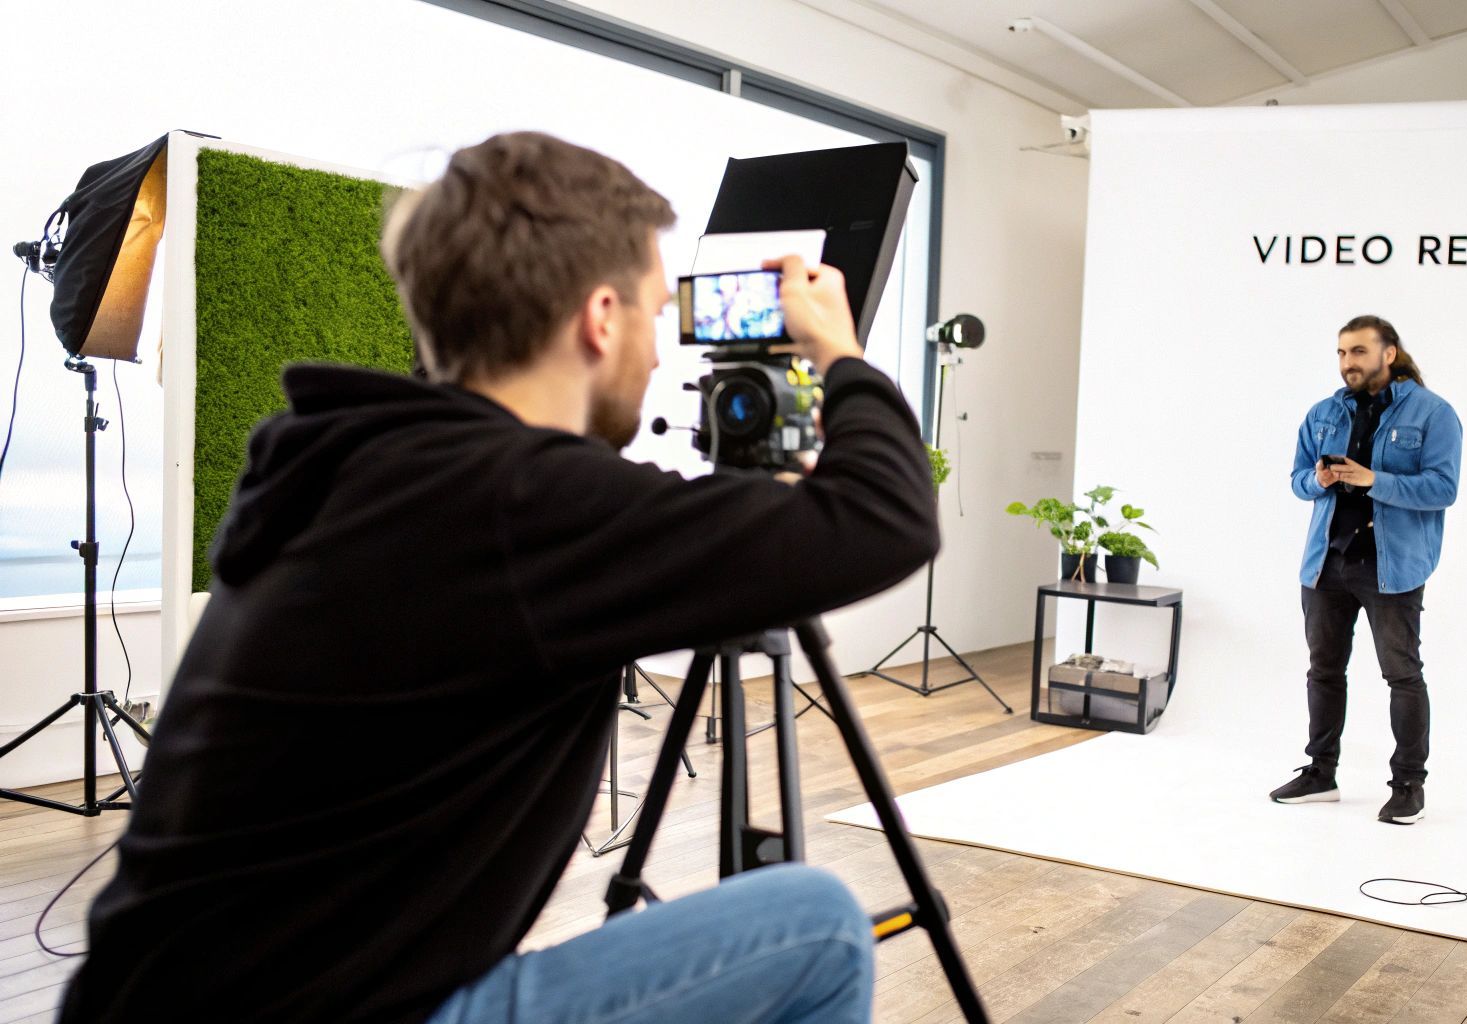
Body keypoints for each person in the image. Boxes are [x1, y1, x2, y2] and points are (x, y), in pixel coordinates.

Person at [59, 131, 939, 1023]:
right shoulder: (523, 502)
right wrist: (841, 351)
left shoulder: (357, 469)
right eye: (647, 309)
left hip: (141, 999)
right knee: (819, 926)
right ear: (600, 318)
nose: (657, 350)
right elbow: (886, 519)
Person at [1270, 315, 1461, 825]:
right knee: (1324, 671)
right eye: (1341, 353)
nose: (1347, 362)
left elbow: (1443, 488)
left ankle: (1408, 786)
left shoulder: (1433, 414)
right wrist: (1320, 478)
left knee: (1402, 674)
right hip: (1327, 564)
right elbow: (1296, 481)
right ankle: (1320, 773)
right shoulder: (1324, 412)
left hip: (1391, 567)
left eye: (1357, 351)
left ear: (1388, 353)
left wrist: (1374, 479)